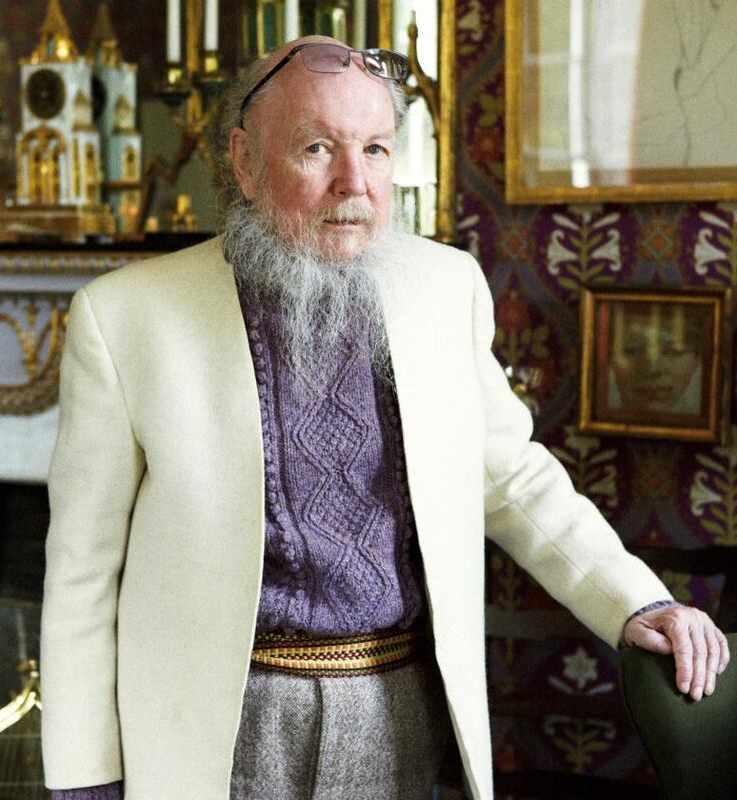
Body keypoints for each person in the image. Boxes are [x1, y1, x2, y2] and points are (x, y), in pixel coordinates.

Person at [40, 36, 730, 800]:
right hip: (213, 728)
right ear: (244, 159)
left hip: (401, 710)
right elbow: (81, 573)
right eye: (316, 148)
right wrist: (85, 776)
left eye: (374, 148)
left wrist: (637, 600)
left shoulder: (446, 287)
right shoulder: (124, 316)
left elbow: (514, 481)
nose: (354, 183)